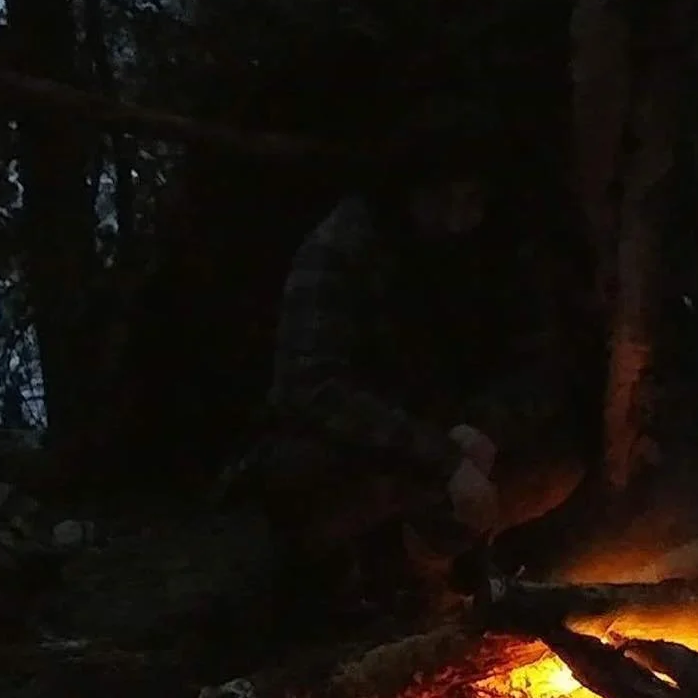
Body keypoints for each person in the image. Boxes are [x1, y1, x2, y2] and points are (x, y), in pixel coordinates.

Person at [235, 104, 598, 624]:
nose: (456, 219)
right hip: (370, 444)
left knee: (558, 465)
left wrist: (486, 427)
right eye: (441, 200)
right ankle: (354, 575)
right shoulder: (343, 248)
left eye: (470, 201)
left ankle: (428, 562)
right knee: (303, 478)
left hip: (459, 438)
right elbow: (308, 385)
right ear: (407, 192)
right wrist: (441, 458)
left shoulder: (500, 252)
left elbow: (541, 366)